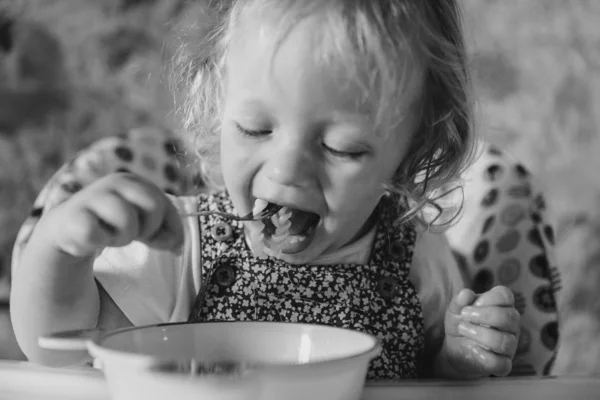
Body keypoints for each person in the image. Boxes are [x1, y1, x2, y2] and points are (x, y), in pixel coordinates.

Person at [10, 0, 521, 380]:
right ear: (217, 106)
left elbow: (436, 379)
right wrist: (61, 251)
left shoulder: (419, 260)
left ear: (411, 150)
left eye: (342, 148)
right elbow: (60, 346)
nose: (288, 170)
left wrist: (462, 355)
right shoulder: (181, 244)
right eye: (256, 129)